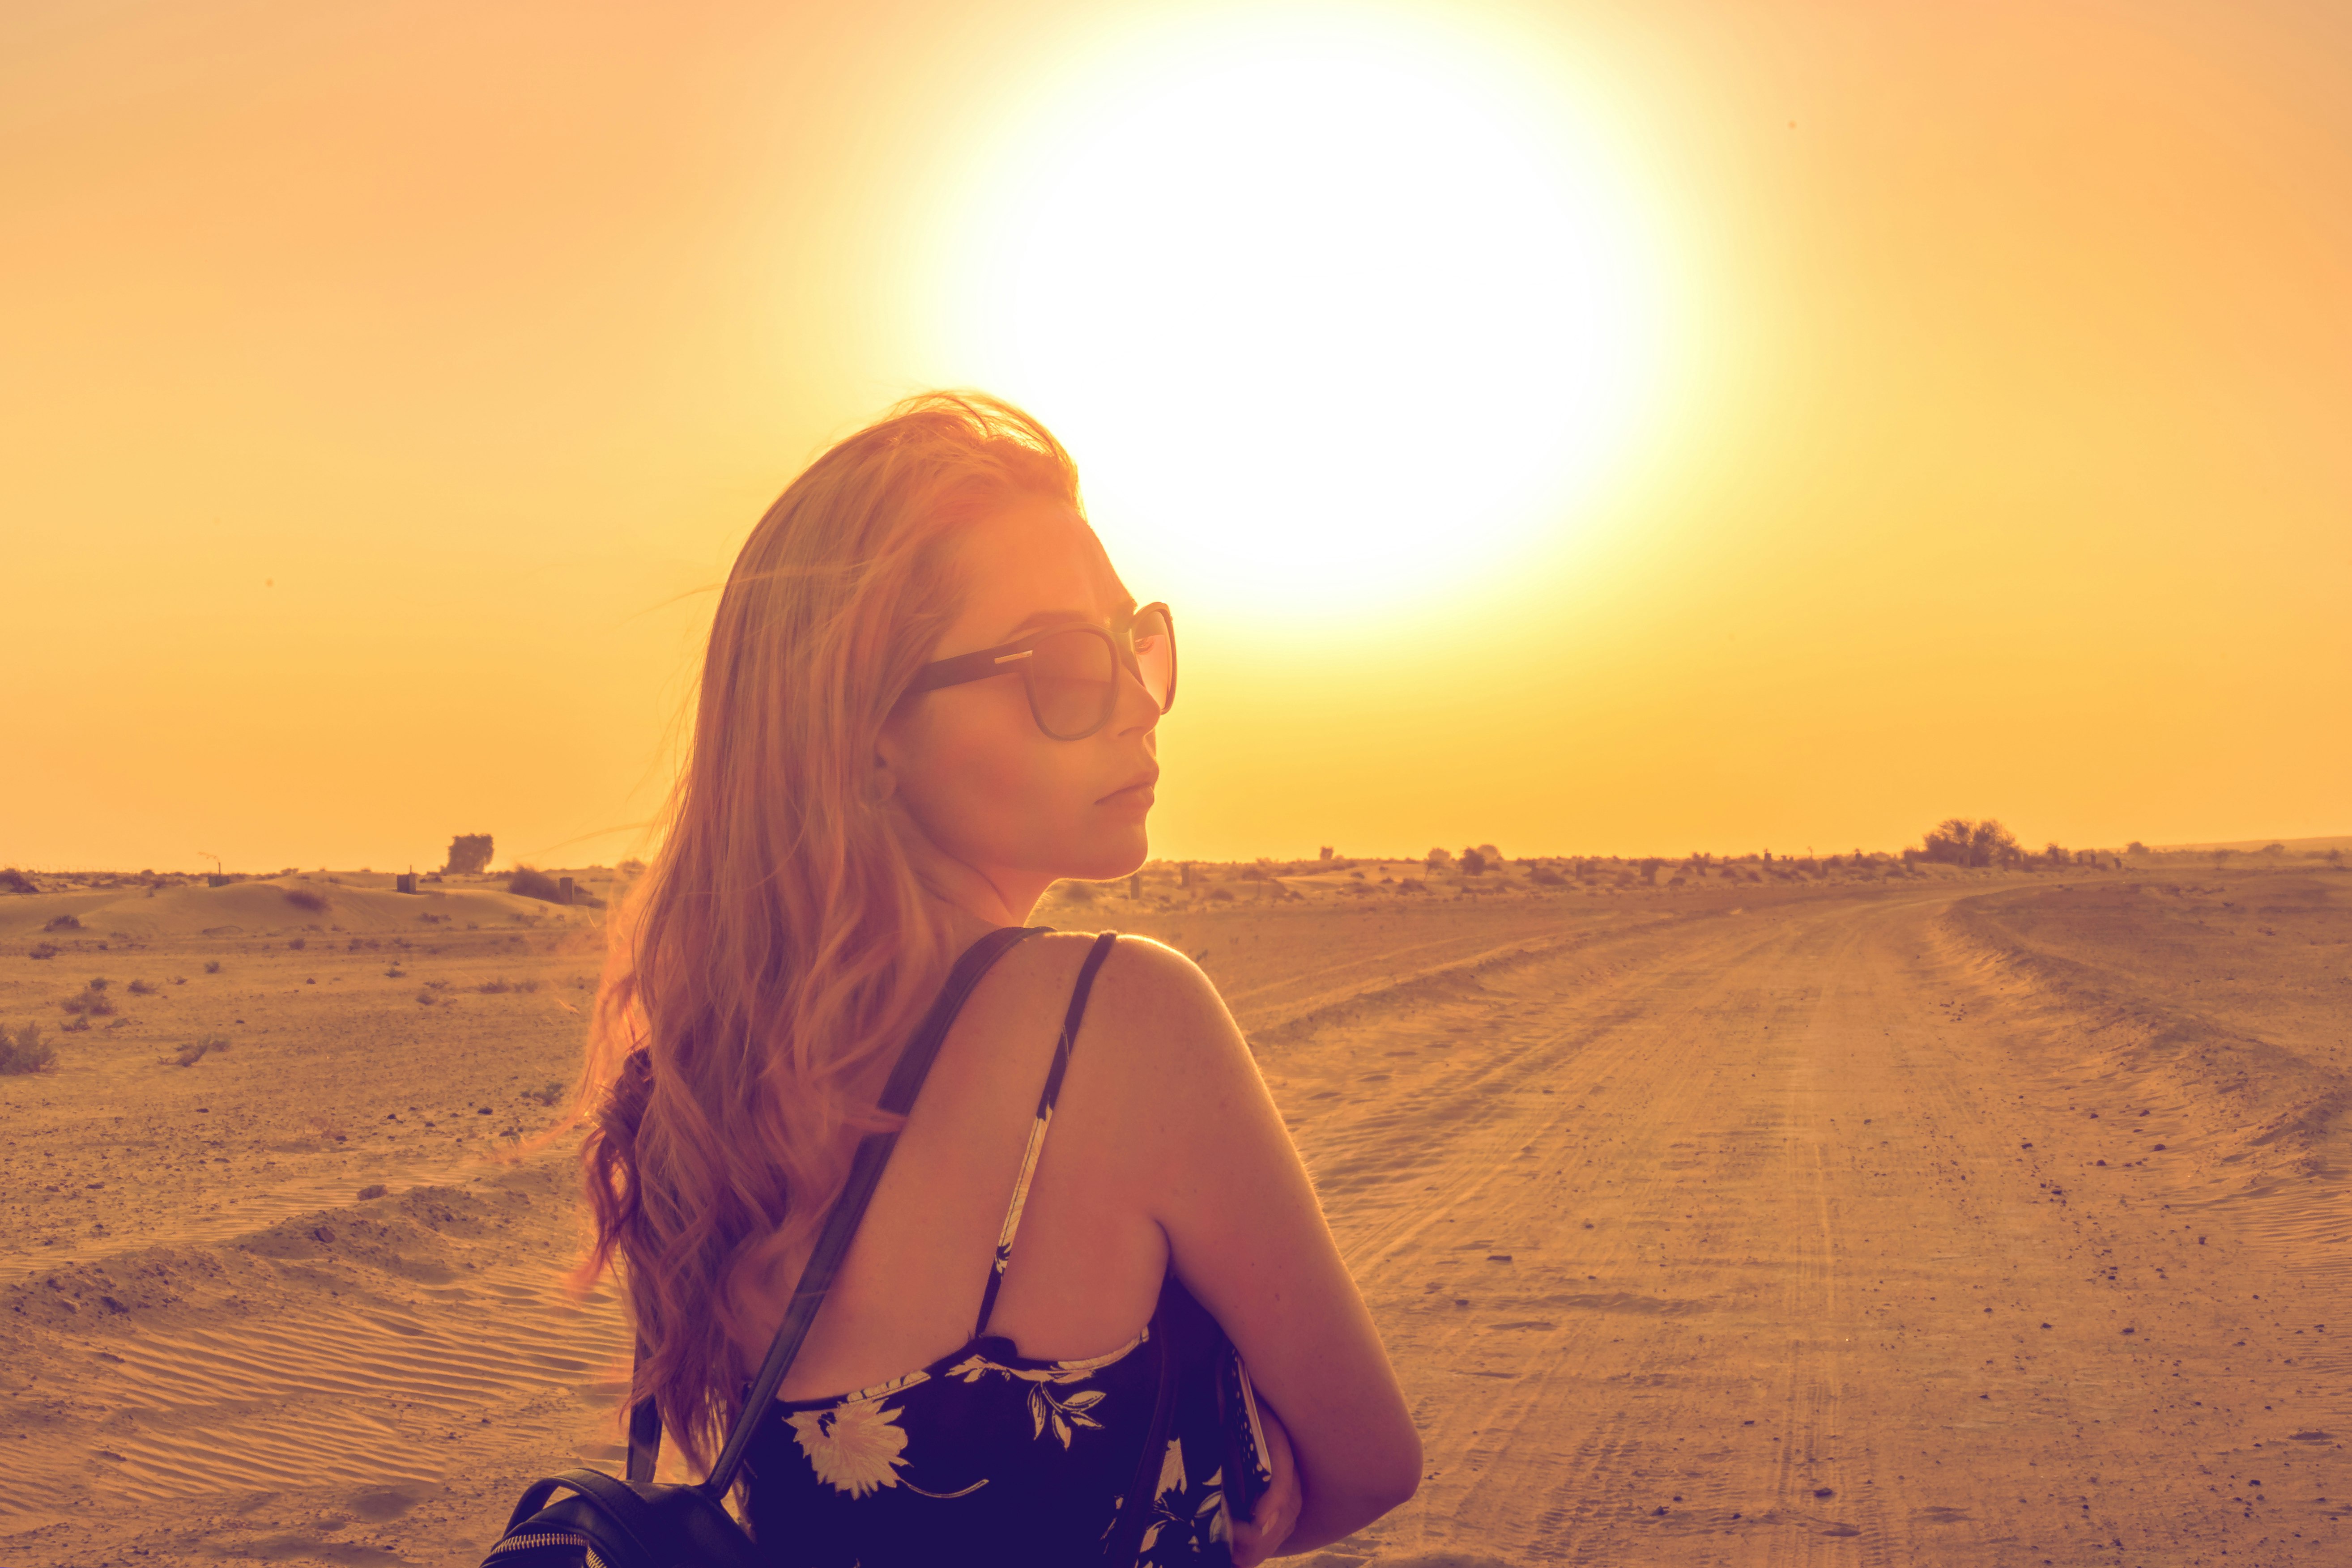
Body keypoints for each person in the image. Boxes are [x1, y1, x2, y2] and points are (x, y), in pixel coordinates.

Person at [577, 393, 1419, 1564]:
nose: (1135, 703)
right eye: (1065, 664)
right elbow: (1372, 1462)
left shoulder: (703, 1088)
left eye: (1133, 641)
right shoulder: (1120, 1019)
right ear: (871, 726)